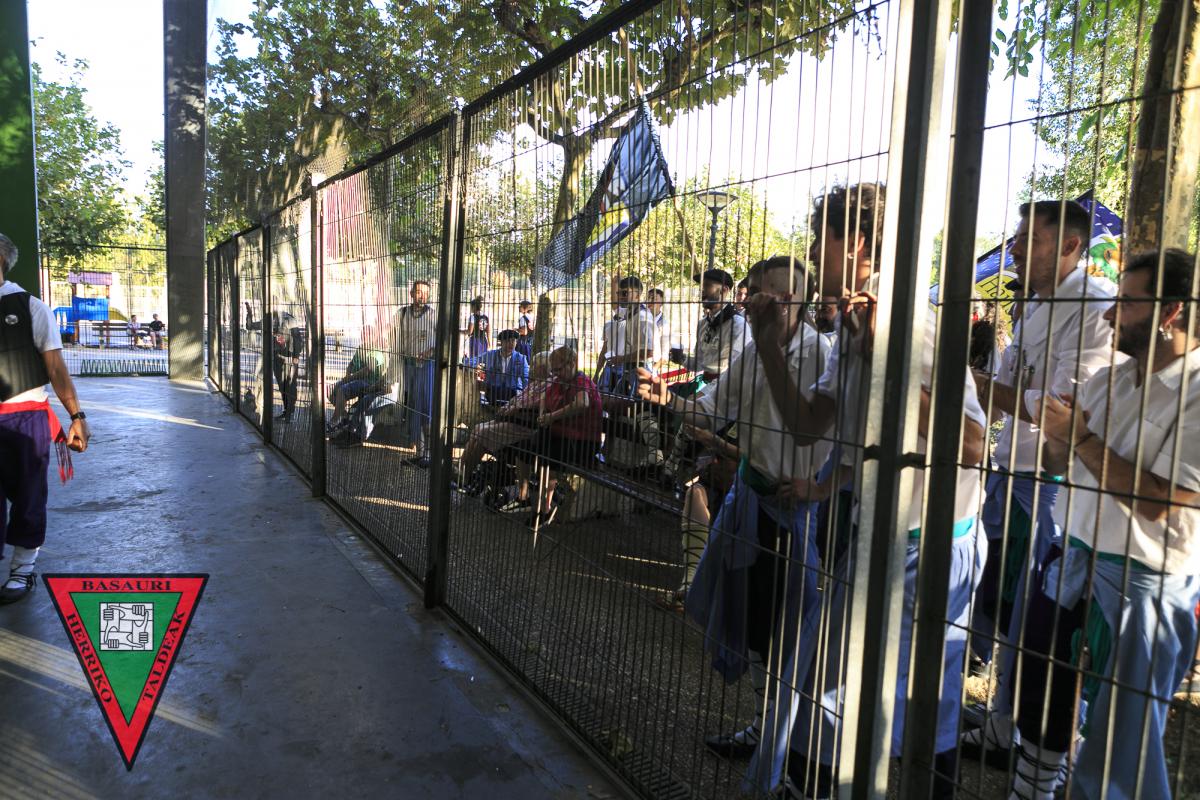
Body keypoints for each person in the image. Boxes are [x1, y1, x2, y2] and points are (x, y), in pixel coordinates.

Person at [742, 183, 987, 796]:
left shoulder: (912, 325)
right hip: (879, 532)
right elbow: (808, 425)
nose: (810, 254)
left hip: (928, 543)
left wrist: (888, 359)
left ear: (853, 244)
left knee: (851, 691)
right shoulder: (853, 327)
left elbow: (973, 444)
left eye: (817, 240)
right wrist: (768, 345)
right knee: (839, 684)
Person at [1005, 249, 1200, 800]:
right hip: (1072, 556)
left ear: (1170, 313)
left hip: (1143, 586)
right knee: (1042, 689)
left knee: (1122, 737)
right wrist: (1058, 434)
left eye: (1127, 303)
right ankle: (1033, 786)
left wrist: (1082, 438)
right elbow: (1057, 463)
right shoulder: (1108, 380)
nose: (1111, 315)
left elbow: (1162, 502)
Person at [637, 255, 832, 770]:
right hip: (750, 497)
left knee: (788, 629)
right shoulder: (753, 352)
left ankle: (790, 741)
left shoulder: (820, 354)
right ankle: (765, 726)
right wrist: (666, 397)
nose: (752, 299)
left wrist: (820, 486)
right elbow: (712, 408)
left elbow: (831, 434)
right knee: (754, 622)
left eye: (765, 291)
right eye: (754, 289)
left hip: (793, 512)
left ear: (792, 299)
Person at [962, 200, 1117, 762]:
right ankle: (1005, 720)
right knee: (1011, 603)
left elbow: (1063, 412)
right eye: (1018, 237)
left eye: (1031, 239)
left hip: (1056, 482)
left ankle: (1050, 742)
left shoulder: (1095, 307)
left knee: (1044, 613)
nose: (1016, 249)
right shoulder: (1034, 303)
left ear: (1071, 246)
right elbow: (1011, 389)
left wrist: (983, 387)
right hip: (1012, 472)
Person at [0, 232, 90, 605]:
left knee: (28, 496)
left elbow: (55, 367)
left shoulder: (30, 307)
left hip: (25, 417)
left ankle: (22, 569)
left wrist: (76, 416)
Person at [504, 346, 602, 527]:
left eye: (559, 369)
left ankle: (544, 509)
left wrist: (552, 417)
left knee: (546, 455)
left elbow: (582, 403)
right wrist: (543, 414)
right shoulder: (559, 381)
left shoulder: (581, 381)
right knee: (524, 447)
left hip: (581, 442)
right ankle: (523, 497)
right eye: (554, 370)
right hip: (558, 435)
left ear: (572, 363)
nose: (556, 374)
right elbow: (544, 397)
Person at [459, 351, 551, 488]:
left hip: (525, 424)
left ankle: (464, 477)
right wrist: (508, 406)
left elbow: (534, 405)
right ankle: (462, 471)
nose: (532, 368)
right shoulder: (535, 383)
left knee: (483, 434)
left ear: (543, 368)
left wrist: (515, 408)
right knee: (478, 429)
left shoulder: (548, 385)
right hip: (512, 418)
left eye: (535, 365)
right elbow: (518, 398)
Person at [670, 268, 746, 396]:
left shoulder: (738, 325)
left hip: (723, 390)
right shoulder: (703, 324)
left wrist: (702, 395)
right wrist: (681, 358)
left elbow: (737, 371)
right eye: (701, 287)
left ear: (724, 290)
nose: (702, 292)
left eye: (707, 286)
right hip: (704, 383)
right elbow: (700, 362)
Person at [392, 280, 437, 467]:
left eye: (426, 293)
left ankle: (428, 453)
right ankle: (419, 452)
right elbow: (394, 341)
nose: (422, 296)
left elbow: (443, 341)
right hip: (408, 366)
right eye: (418, 292)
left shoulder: (433, 315)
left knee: (426, 409)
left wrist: (430, 352)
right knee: (412, 409)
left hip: (426, 367)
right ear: (411, 293)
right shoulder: (401, 314)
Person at [596, 276, 656, 397]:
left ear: (638, 295)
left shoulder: (642, 318)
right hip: (629, 370)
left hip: (642, 371)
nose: (620, 297)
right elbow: (615, 306)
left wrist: (621, 359)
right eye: (619, 293)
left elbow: (648, 352)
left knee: (629, 405)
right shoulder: (630, 312)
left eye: (625, 293)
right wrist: (614, 284)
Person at [327, 325, 388, 433]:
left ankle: (334, 422)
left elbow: (367, 370)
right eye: (363, 333)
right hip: (355, 379)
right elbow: (351, 364)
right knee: (330, 390)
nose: (364, 336)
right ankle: (345, 418)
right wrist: (347, 375)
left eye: (368, 334)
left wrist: (349, 378)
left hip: (368, 382)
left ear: (374, 336)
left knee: (342, 390)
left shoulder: (376, 351)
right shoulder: (361, 348)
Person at [465, 329, 529, 406]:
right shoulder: (491, 355)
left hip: (513, 394)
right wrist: (471, 365)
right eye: (508, 341)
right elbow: (473, 360)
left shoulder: (521, 358)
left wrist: (524, 397)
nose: (511, 344)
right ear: (501, 342)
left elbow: (526, 378)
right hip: (493, 392)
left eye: (513, 341)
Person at [271, 310, 304, 422]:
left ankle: (290, 412)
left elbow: (297, 339)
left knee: (290, 386)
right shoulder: (270, 318)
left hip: (289, 358)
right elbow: (252, 326)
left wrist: (296, 356)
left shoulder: (289, 319)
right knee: (282, 387)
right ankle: (287, 411)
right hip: (277, 358)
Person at [645, 288, 673, 374]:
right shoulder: (641, 317)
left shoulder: (664, 325)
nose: (650, 301)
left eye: (654, 298)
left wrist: (653, 370)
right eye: (648, 298)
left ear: (661, 303)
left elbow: (665, 355)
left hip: (650, 366)